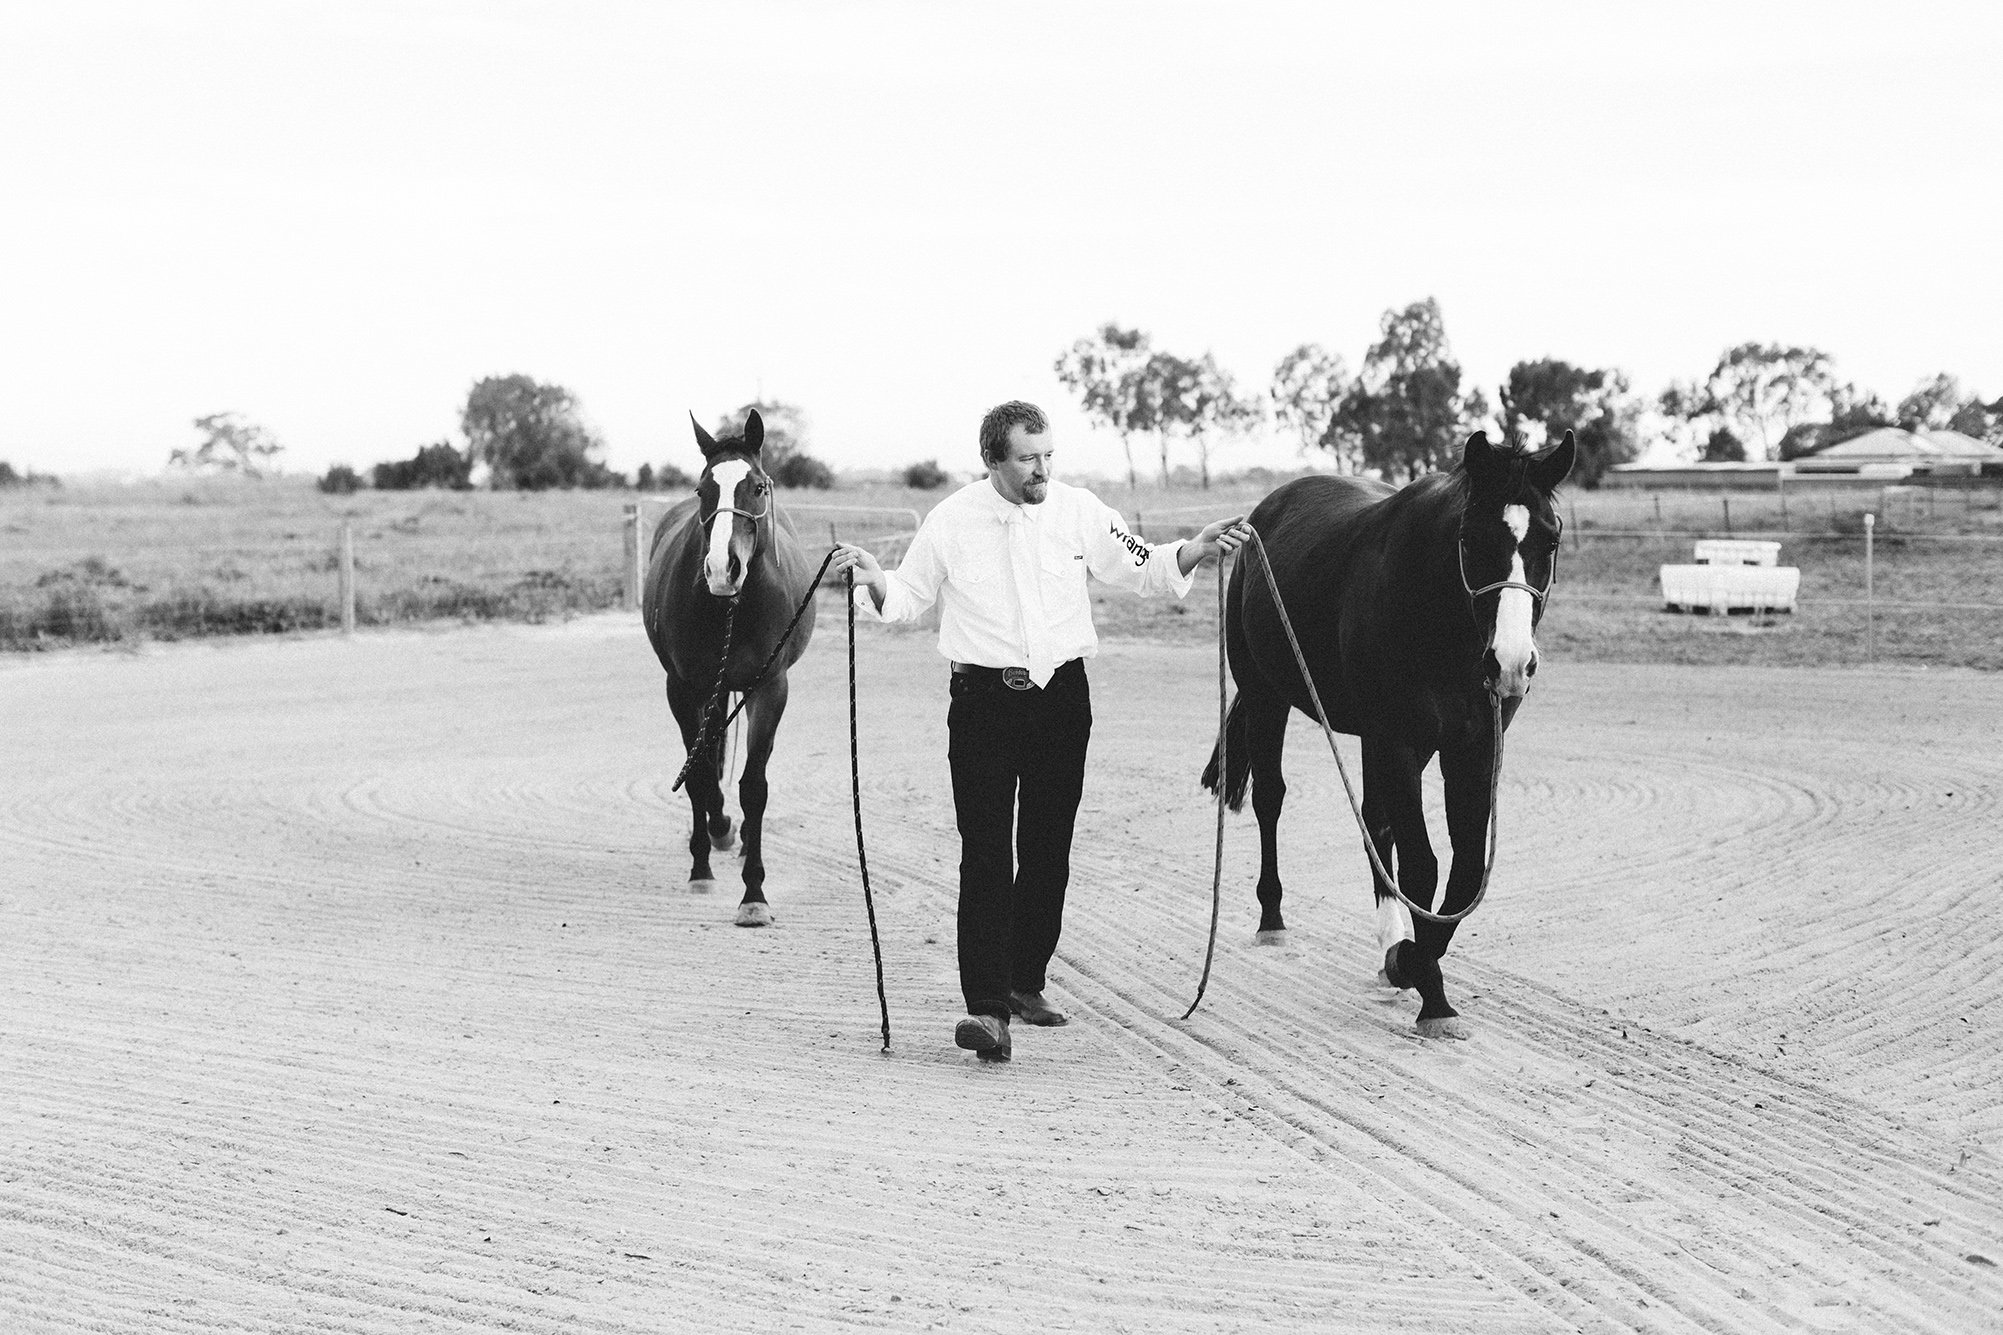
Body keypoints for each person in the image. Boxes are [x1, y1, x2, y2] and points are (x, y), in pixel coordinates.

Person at [830, 400, 1250, 1062]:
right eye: (1028, 458)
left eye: (1048, 455)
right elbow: (905, 595)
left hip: (1062, 701)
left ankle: (1025, 982)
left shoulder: (1081, 511)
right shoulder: (950, 521)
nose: (1041, 469)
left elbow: (1140, 563)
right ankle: (987, 1010)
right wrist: (871, 581)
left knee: (1048, 847)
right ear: (993, 459)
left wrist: (1194, 548)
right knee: (987, 851)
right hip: (981, 702)